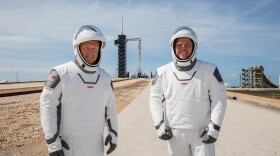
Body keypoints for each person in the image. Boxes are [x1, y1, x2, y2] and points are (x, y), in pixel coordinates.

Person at [40, 25, 118, 156]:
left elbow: (111, 108)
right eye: (86, 48)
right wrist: (52, 142)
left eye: (94, 48)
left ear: (100, 49)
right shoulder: (60, 73)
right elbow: (47, 105)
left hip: (96, 146)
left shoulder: (105, 78)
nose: (91, 52)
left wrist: (113, 134)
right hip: (68, 146)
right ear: (77, 49)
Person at [149, 26, 227, 156]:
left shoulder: (209, 70)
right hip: (174, 133)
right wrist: (159, 126)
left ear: (194, 47)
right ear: (173, 47)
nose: (183, 48)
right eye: (179, 44)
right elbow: (154, 99)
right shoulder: (162, 72)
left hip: (203, 131)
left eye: (187, 44)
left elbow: (219, 98)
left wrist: (214, 127)